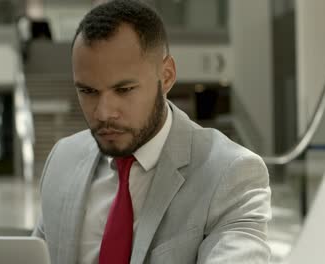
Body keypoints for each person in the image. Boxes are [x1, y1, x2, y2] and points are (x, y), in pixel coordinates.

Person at [32, 1, 272, 263]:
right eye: (88, 91)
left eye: (124, 90)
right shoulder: (62, 159)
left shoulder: (231, 173)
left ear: (166, 76)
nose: (103, 112)